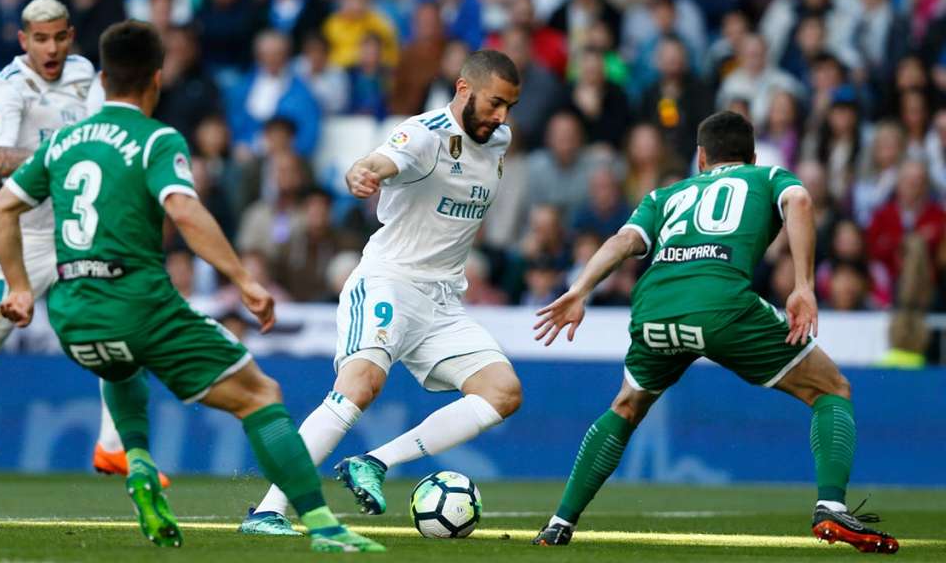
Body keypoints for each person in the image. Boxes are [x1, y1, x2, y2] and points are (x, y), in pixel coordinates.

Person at [0, 20, 383, 553]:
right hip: (138, 301)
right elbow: (185, 211)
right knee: (261, 396)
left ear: (102, 78)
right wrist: (244, 280)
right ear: (156, 78)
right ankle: (324, 526)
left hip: (72, 312)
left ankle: (140, 459)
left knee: (120, 362)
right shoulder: (157, 138)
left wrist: (19, 286)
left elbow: (0, 208)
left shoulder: (63, 143)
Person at [529, 111, 899, 554]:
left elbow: (624, 241)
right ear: (752, 154)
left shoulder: (665, 193)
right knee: (831, 390)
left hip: (655, 310)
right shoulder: (766, 176)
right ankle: (830, 505)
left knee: (625, 407)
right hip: (722, 306)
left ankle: (558, 523)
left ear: (700, 157)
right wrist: (802, 286)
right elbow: (799, 201)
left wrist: (579, 289)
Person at [240, 49, 523, 535]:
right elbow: (384, 157)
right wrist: (363, 171)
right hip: (388, 280)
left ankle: (371, 461)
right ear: (463, 90)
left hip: (441, 302)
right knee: (360, 386)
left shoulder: (499, 139)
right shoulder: (425, 133)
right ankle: (269, 509)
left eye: (509, 107)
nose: (501, 116)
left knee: (502, 392)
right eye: (495, 102)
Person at [0, 0, 147, 484]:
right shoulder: (10, 86)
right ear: (24, 41)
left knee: (122, 326)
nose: (50, 48)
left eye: (59, 37)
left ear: (71, 37)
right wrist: (61, 150)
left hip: (77, 231)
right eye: (39, 39)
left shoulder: (87, 74)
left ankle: (115, 449)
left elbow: (104, 133)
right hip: (19, 236)